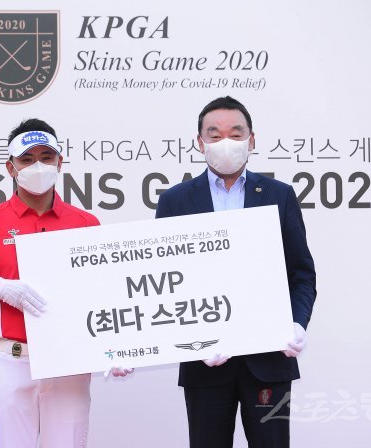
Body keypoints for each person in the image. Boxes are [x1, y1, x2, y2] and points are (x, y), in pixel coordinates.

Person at [155, 96, 316, 448]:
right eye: (215, 135)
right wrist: (192, 335)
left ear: (251, 140)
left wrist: (297, 323)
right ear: (200, 142)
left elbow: (302, 274)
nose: (225, 142)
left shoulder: (279, 195)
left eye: (236, 133)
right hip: (205, 363)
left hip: (270, 360)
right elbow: (165, 283)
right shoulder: (175, 201)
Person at [0, 118, 101, 448]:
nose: (38, 166)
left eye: (46, 157)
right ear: (11, 168)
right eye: (27, 159)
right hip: (10, 360)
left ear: (60, 162)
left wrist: (113, 348)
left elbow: (101, 293)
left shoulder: (85, 223)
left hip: (67, 361)